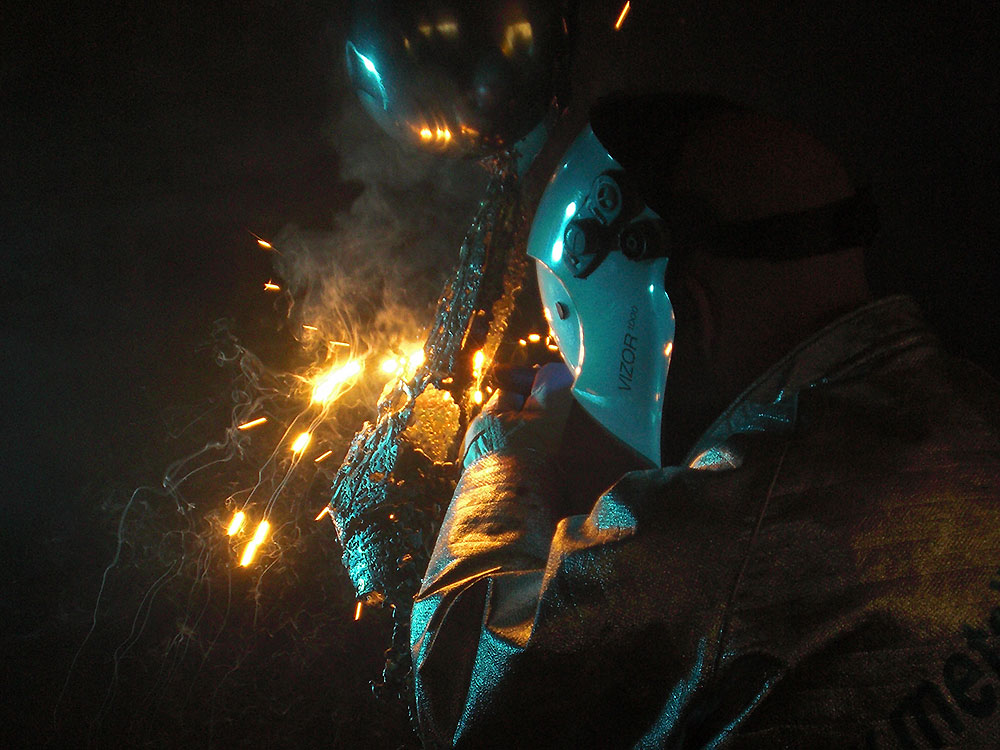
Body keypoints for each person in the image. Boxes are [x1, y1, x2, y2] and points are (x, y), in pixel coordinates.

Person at [408, 93, 1000, 748]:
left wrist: (500, 466)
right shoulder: (974, 399)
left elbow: (465, 689)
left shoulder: (731, 526)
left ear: (686, 310)